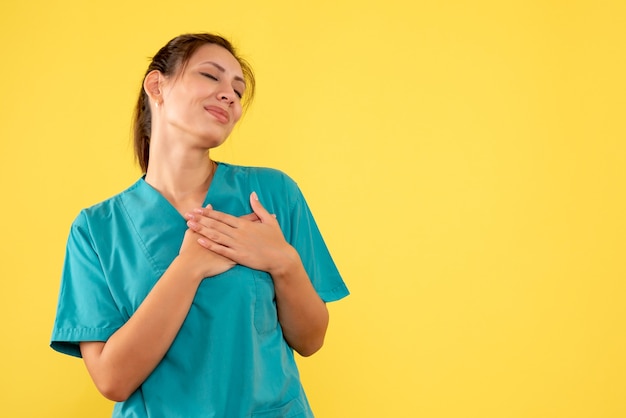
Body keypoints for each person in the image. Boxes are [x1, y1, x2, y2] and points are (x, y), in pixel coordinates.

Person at [50, 33, 349, 418]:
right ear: (157, 86)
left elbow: (310, 339)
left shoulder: (272, 195)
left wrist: (283, 262)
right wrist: (189, 266)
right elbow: (112, 380)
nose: (230, 96)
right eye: (211, 76)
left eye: (238, 91)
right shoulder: (95, 230)